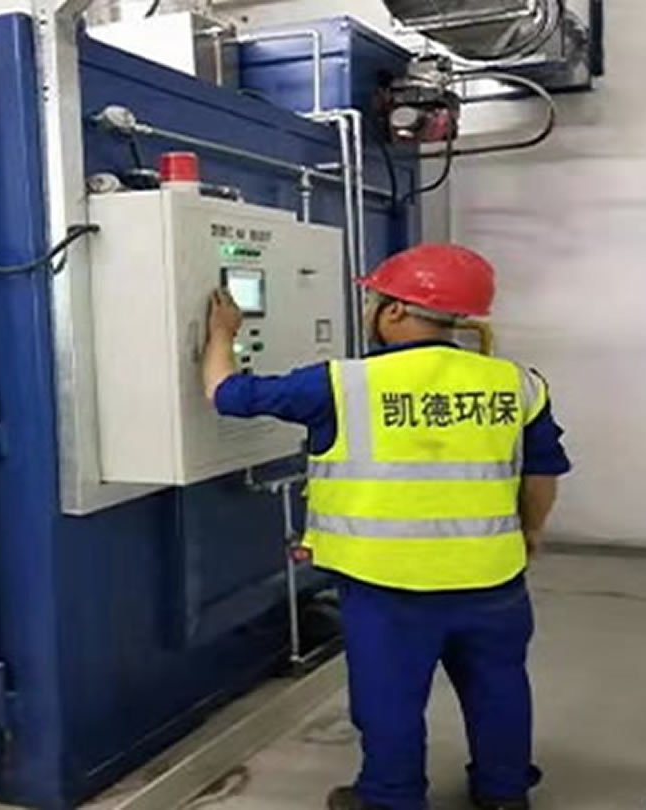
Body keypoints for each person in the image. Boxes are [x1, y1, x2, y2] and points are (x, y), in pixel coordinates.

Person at [202, 243, 571, 810]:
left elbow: (226, 395)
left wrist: (221, 334)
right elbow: (541, 476)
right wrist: (531, 532)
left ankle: (391, 798)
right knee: (498, 687)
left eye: (374, 299)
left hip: (386, 585)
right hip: (492, 578)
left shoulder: (341, 384)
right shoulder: (517, 383)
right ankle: (504, 793)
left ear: (395, 310)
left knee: (389, 699)